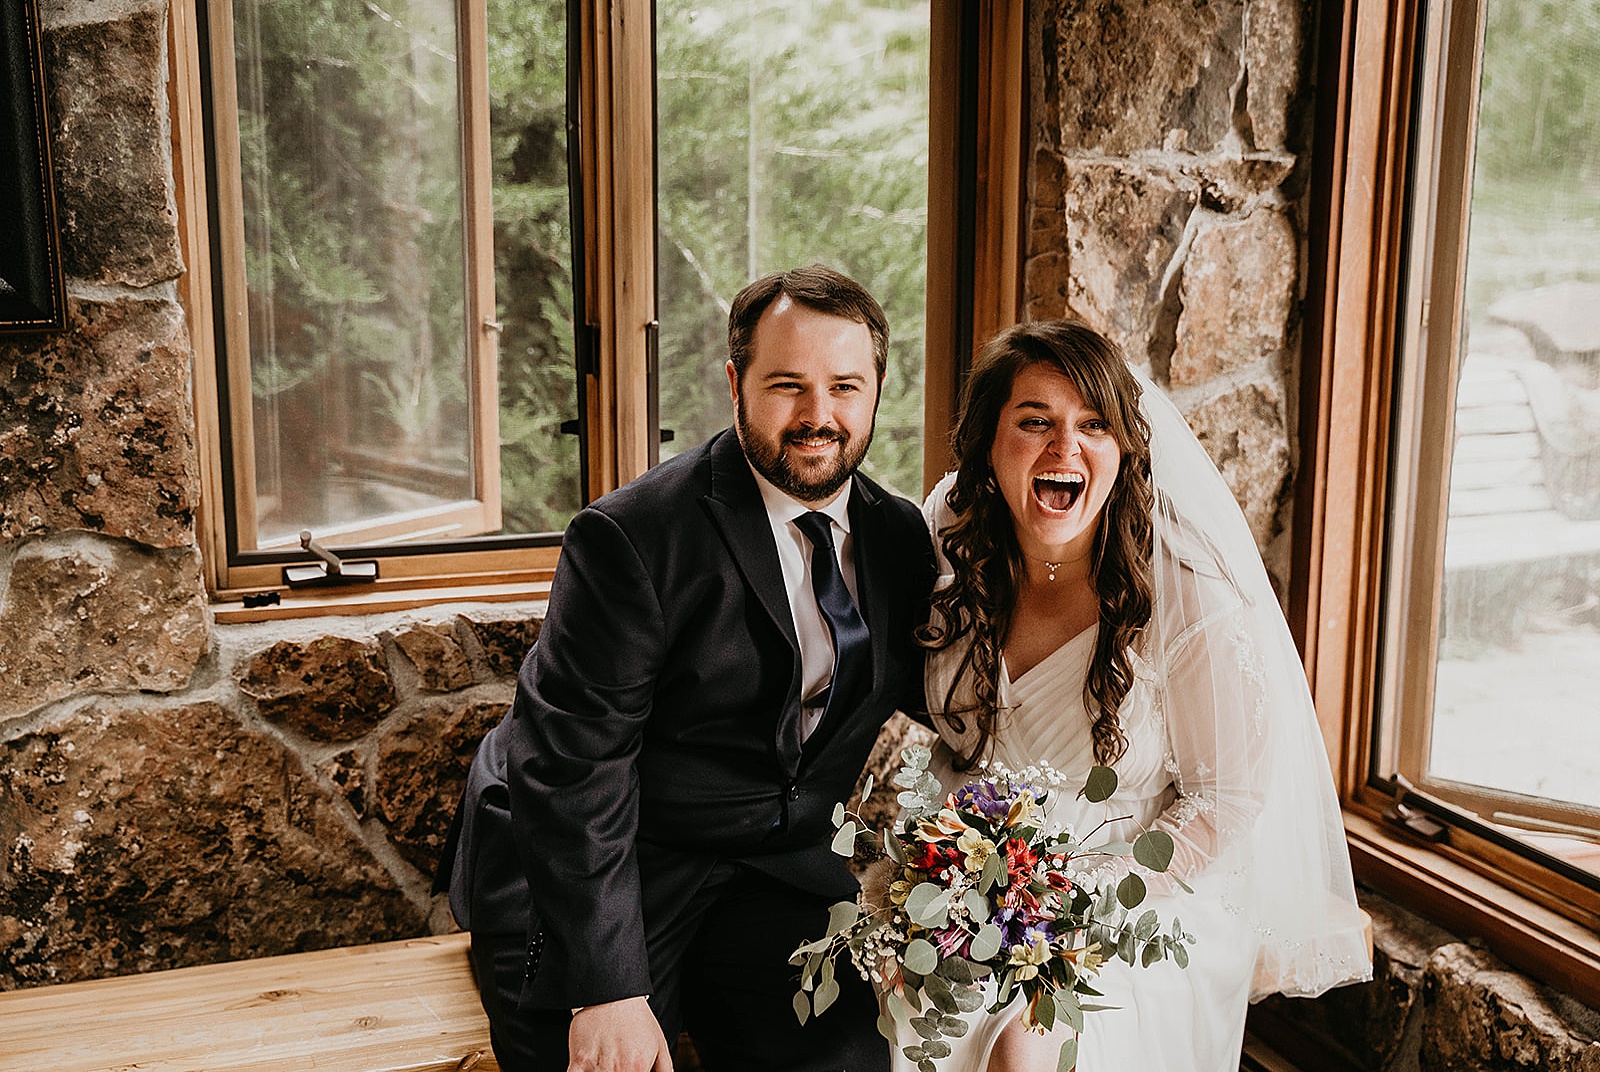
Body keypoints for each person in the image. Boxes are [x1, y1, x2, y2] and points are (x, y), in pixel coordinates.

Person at [435, 264, 935, 1071]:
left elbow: (964, 697)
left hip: (775, 869)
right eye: (787, 386)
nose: (819, 416)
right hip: (611, 854)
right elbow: (574, 765)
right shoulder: (631, 537)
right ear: (734, 383)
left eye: (845, 386)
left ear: (877, 388)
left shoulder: (899, 538)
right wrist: (607, 990)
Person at [907, 320, 1371, 1072]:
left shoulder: (1188, 595)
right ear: (990, 446)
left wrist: (1074, 892)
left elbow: (1226, 802)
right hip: (970, 883)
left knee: (1024, 1049)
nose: (1066, 448)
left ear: (1123, 450)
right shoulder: (951, 533)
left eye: (1093, 425)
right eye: (1035, 423)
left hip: (1142, 897)